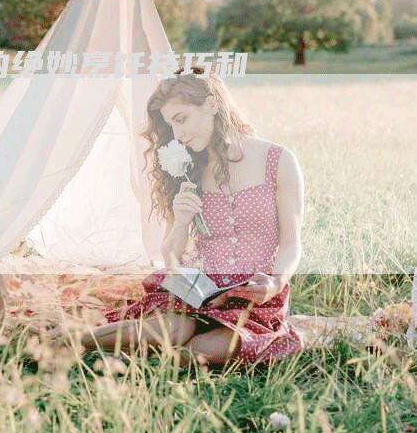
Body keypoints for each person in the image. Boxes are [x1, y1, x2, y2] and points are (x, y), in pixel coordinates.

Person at [80, 66, 305, 367]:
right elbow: (170, 253)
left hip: (256, 299)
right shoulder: (188, 172)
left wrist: (275, 283)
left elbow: (291, 244)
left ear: (212, 104)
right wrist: (182, 220)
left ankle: (133, 355)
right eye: (170, 124)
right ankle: (71, 338)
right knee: (175, 330)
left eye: (181, 119)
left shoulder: (278, 161)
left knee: (198, 352)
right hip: (198, 293)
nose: (177, 134)